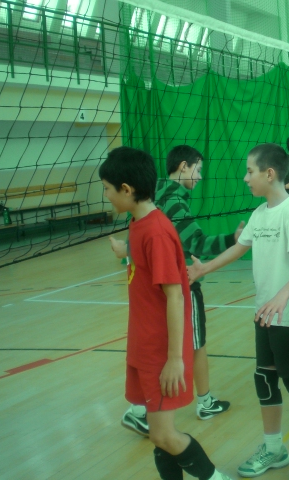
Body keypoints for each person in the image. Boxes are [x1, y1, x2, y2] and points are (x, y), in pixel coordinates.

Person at [188, 143, 289, 480]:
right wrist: (205, 268)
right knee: (265, 380)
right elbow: (239, 248)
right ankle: (274, 448)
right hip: (265, 315)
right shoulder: (260, 213)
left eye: (250, 171)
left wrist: (282, 297)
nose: (246, 178)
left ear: (269, 174)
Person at [99, 146, 231, 480]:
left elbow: (176, 297)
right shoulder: (138, 222)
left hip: (160, 351)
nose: (105, 195)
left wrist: (175, 359)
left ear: (126, 189)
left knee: (164, 435)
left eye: (107, 188)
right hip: (144, 344)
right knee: (159, 437)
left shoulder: (156, 230)